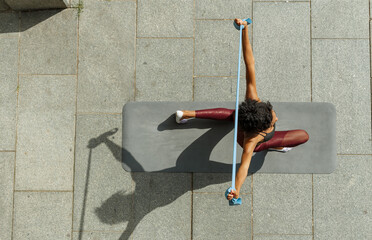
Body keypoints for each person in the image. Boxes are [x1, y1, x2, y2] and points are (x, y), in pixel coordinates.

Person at [175, 19, 309, 202]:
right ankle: (273, 145)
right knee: (303, 136)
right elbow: (244, 167)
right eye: (271, 120)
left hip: (243, 122)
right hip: (254, 139)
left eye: (271, 114)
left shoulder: (252, 100)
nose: (276, 118)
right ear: (259, 128)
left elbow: (249, 62)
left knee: (234, 114)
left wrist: (244, 30)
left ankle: (187, 114)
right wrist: (236, 189)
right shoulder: (251, 141)